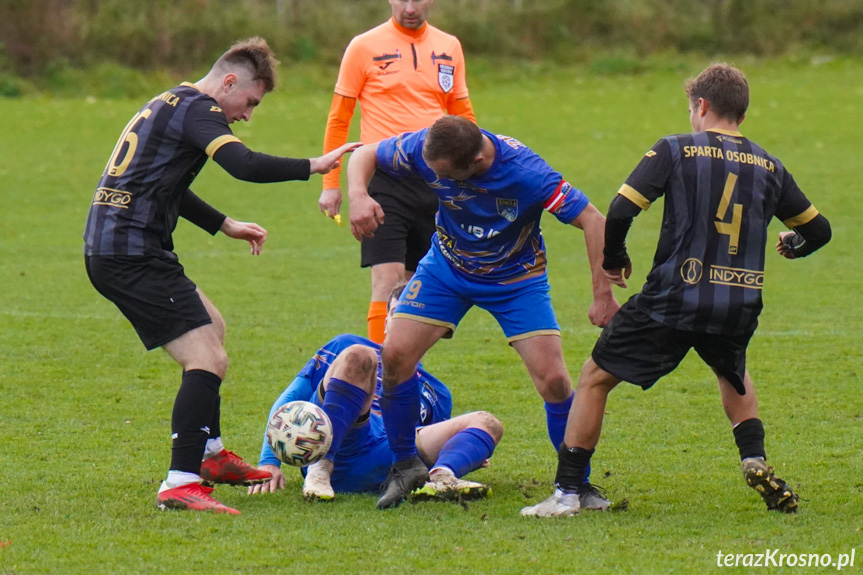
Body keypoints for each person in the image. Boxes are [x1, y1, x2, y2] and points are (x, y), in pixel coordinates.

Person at [521, 63, 832, 518]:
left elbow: (622, 209)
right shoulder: (770, 165)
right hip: (738, 300)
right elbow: (819, 230)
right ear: (741, 115)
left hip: (675, 295)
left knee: (594, 377)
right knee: (732, 372)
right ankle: (753, 458)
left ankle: (568, 492)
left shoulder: (677, 149)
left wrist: (613, 259)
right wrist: (793, 244)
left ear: (700, 106)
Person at [83, 37, 360, 515]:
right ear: (228, 82)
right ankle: (180, 482)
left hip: (122, 245)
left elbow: (163, 183)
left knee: (213, 327)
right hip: (131, 252)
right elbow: (242, 164)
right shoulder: (200, 111)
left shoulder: (170, 101)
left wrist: (223, 224)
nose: (247, 115)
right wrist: (314, 165)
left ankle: (211, 457)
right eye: (250, 102)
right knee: (207, 359)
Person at [347, 115, 620, 509]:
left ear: (477, 162)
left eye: (447, 177)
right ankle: (405, 465)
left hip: (515, 279)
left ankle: (577, 484)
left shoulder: (526, 173)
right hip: (447, 268)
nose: (437, 180)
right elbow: (365, 153)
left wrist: (602, 296)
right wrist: (358, 195)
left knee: (555, 381)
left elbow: (594, 220)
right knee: (394, 355)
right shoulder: (431, 145)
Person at [249, 285, 503, 502]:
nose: (404, 322)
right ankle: (321, 468)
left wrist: (462, 451)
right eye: (397, 313)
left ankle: (442, 477)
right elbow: (289, 400)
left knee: (487, 423)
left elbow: (428, 440)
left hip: (389, 458)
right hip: (344, 441)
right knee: (361, 355)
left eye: (414, 316)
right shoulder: (345, 345)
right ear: (387, 321)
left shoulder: (437, 391)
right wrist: (269, 461)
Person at [318, 0, 476, 345]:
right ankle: (378, 375)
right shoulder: (363, 46)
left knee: (415, 288)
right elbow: (339, 119)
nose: (409, 6)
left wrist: (476, 174)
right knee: (386, 281)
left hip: (436, 180)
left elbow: (463, 116)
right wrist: (332, 184)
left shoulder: (449, 47)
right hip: (383, 177)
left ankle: (402, 377)